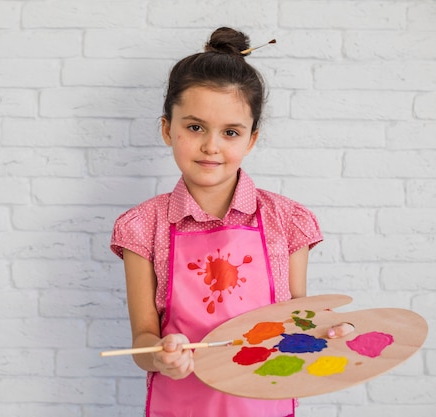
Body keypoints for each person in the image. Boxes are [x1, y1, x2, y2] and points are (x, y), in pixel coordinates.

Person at [110, 27, 353, 417]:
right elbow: (143, 342)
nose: (211, 145)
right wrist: (161, 358)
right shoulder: (142, 226)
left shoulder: (287, 221)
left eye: (230, 132)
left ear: (251, 140)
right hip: (181, 406)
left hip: (265, 405)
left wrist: (331, 332)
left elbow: (298, 321)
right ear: (166, 129)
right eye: (194, 127)